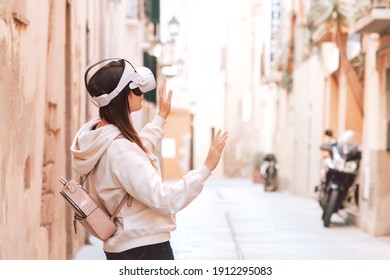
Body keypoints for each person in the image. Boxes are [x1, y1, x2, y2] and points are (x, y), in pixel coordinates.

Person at [70, 58, 228, 260]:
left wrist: (161, 117)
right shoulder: (120, 150)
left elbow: (136, 153)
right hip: (145, 250)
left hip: (123, 248)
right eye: (136, 89)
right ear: (122, 96)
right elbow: (164, 199)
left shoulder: (100, 138)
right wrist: (206, 168)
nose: (142, 94)